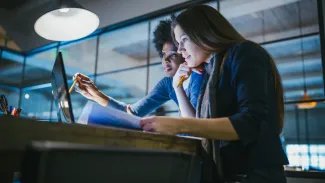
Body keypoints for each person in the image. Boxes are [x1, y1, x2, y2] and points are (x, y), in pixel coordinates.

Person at [140, 5, 288, 183]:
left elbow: (250, 122)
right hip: (228, 173)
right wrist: (177, 87)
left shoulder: (244, 52)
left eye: (184, 40)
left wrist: (178, 125)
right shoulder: (209, 72)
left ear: (204, 33)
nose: (179, 50)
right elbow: (198, 127)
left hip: (254, 173)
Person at [74, 19, 204, 118]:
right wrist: (95, 94)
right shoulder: (168, 84)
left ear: (185, 53)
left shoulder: (199, 75)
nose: (165, 61)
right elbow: (132, 112)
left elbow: (195, 125)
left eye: (173, 55)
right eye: (163, 55)